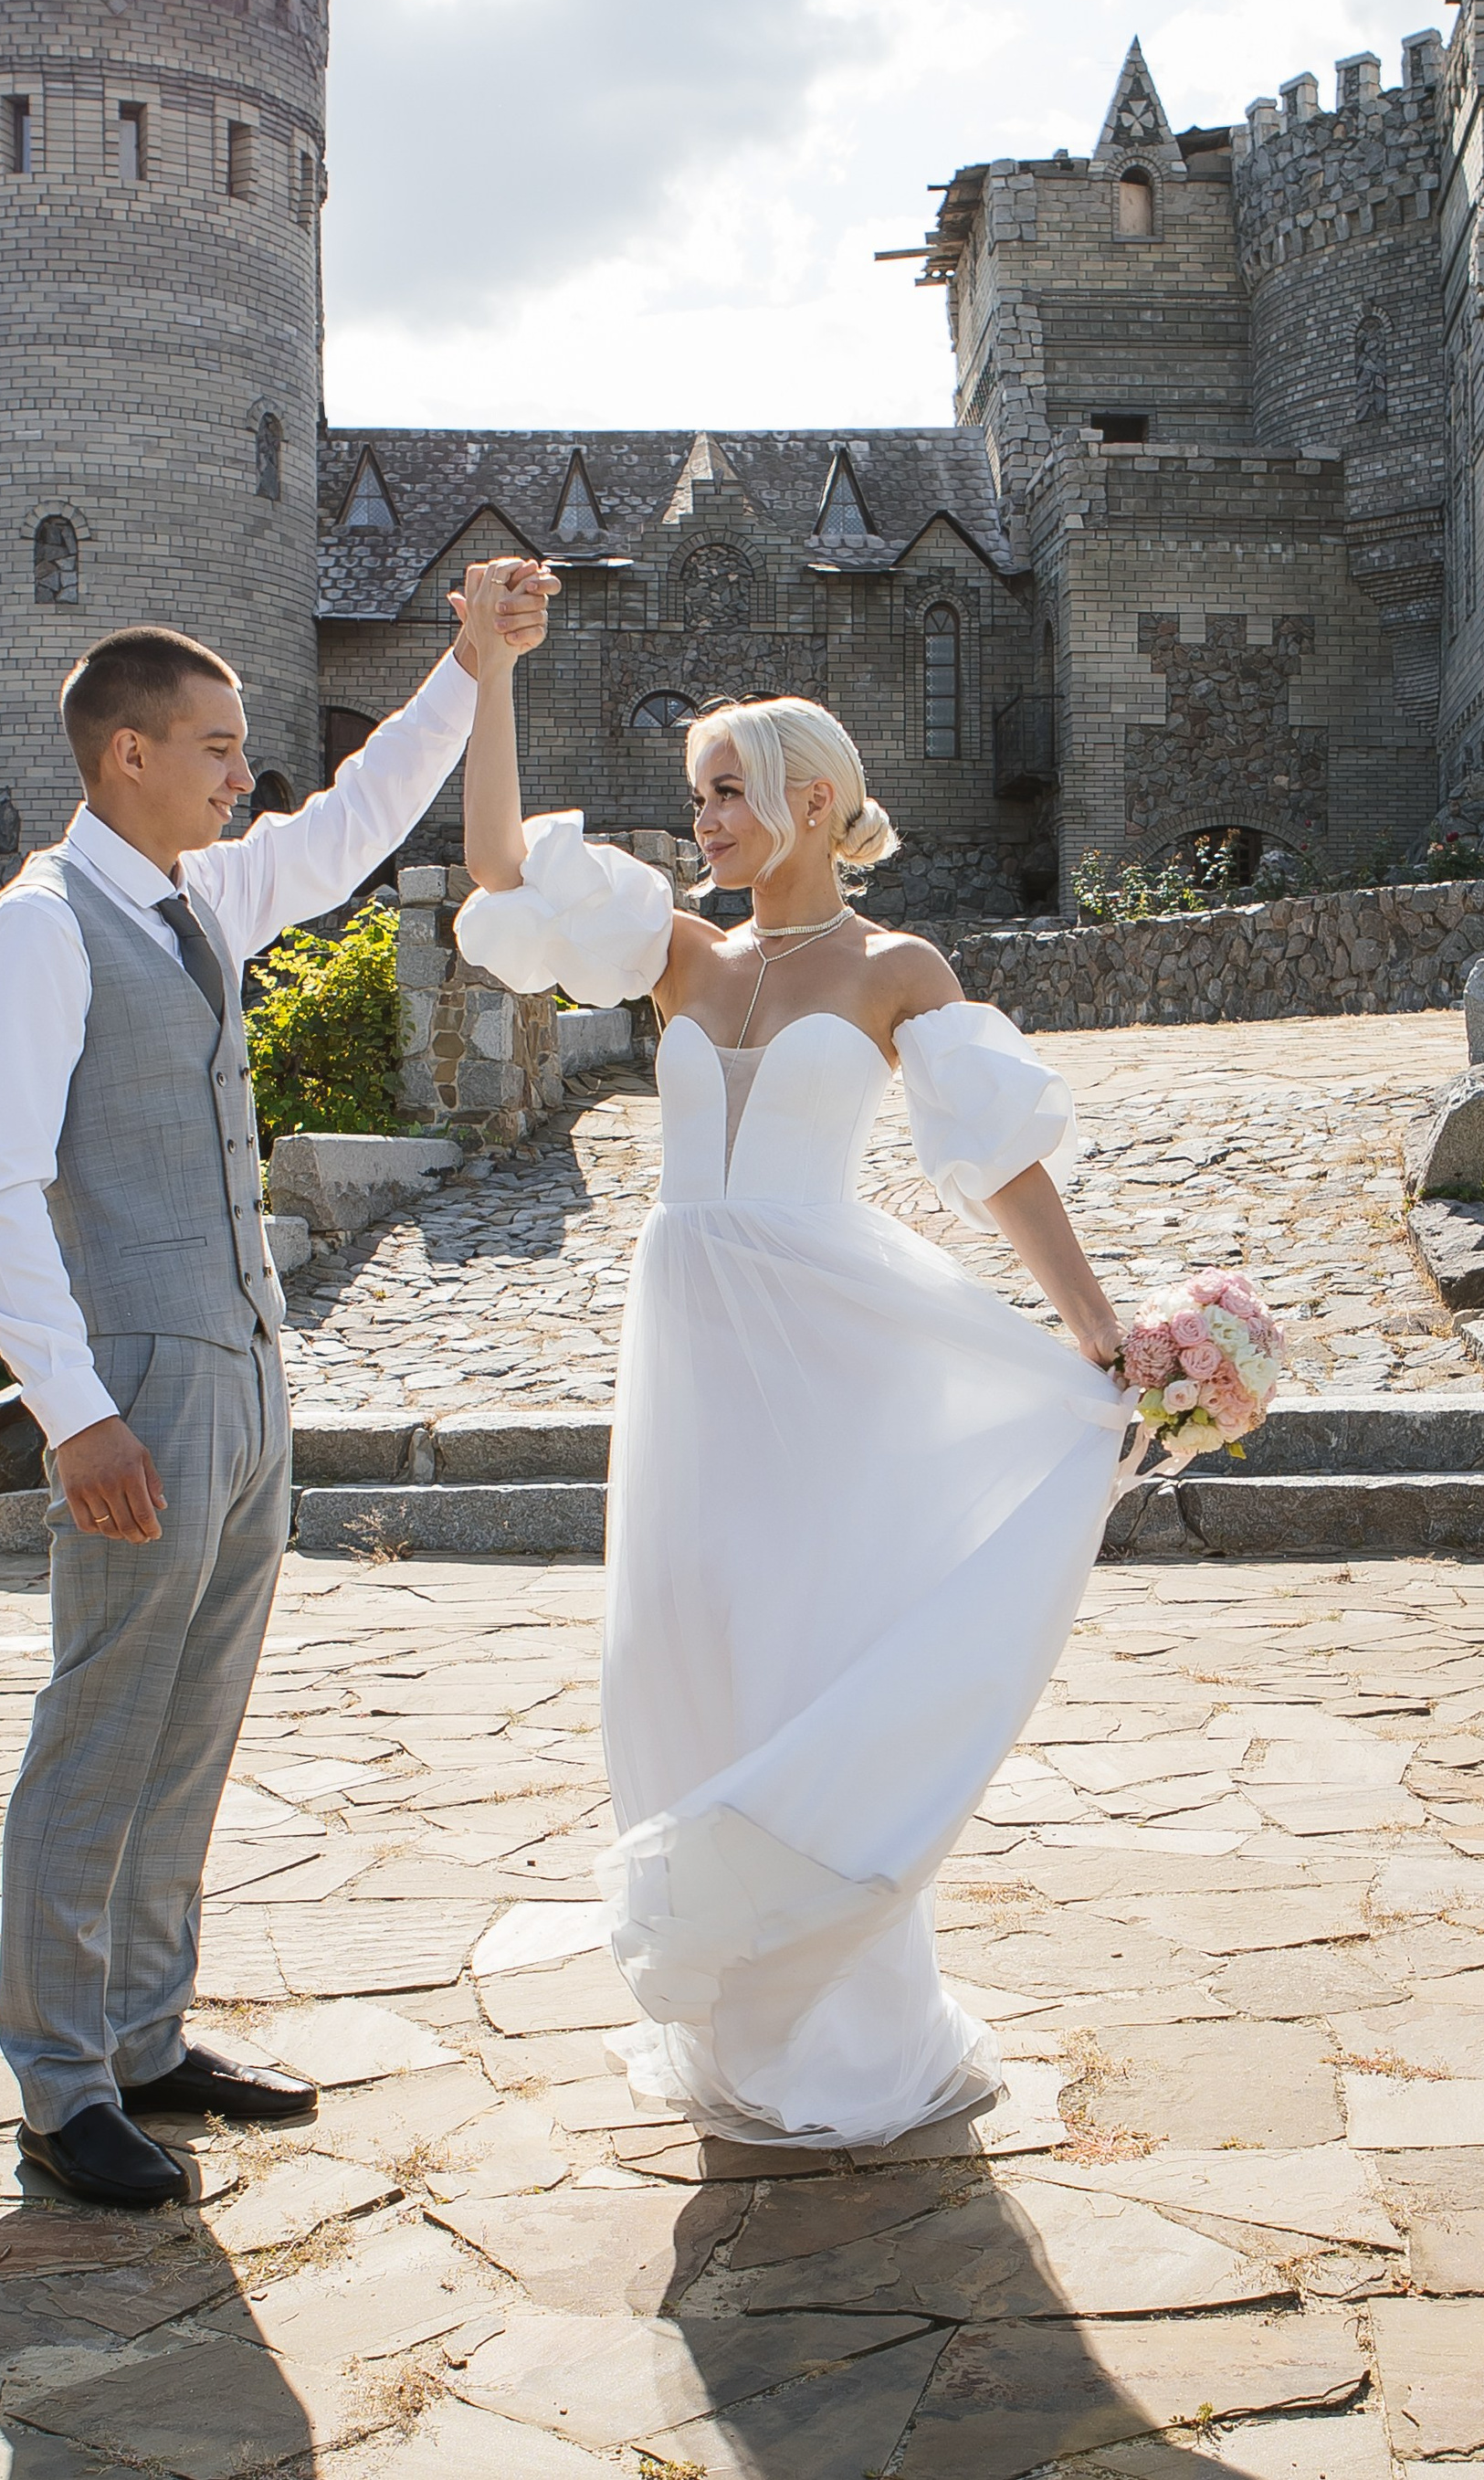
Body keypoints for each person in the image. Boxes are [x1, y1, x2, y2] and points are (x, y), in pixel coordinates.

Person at [0, 560, 553, 2207]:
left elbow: (360, 821)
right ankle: (60, 2082)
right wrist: (74, 1414)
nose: (242, 771)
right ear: (125, 754)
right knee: (101, 1729)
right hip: (135, 1386)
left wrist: (471, 664)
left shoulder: (195, 900)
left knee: (192, 1724)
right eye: (214, 748)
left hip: (242, 1377)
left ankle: (144, 2036)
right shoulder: (38, 930)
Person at [456, 674, 1129, 2147]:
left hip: (826, 1346)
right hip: (689, 1346)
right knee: (685, 1645)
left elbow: (995, 1157)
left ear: (809, 802)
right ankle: (737, 2018)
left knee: (807, 1652)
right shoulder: (678, 957)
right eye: (698, 794)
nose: (702, 821)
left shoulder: (898, 970)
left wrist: (1094, 1327)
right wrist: (497, 676)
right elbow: (502, 876)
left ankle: (848, 2039)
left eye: (725, 793)